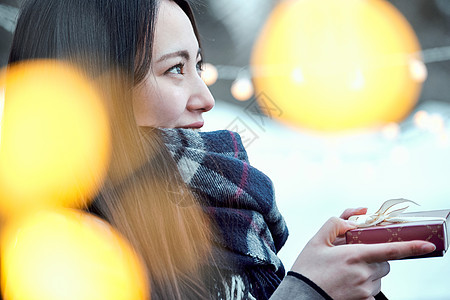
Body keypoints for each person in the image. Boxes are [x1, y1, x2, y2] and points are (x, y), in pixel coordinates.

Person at [6, 0, 436, 299]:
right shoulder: (54, 256)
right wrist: (309, 290)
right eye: (174, 68)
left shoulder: (222, 217)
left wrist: (337, 284)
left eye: (197, 65)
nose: (205, 97)